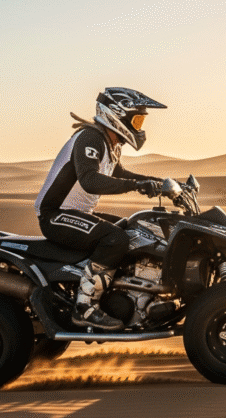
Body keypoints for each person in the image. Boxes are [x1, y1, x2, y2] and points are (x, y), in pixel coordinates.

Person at [35, 87, 167, 331]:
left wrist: (159, 183)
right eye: (136, 120)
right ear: (117, 115)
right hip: (55, 215)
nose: (139, 127)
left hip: (79, 215)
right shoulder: (90, 137)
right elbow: (90, 180)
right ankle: (84, 307)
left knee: (131, 230)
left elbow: (122, 174)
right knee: (114, 238)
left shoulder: (110, 143)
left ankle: (122, 295)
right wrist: (135, 185)